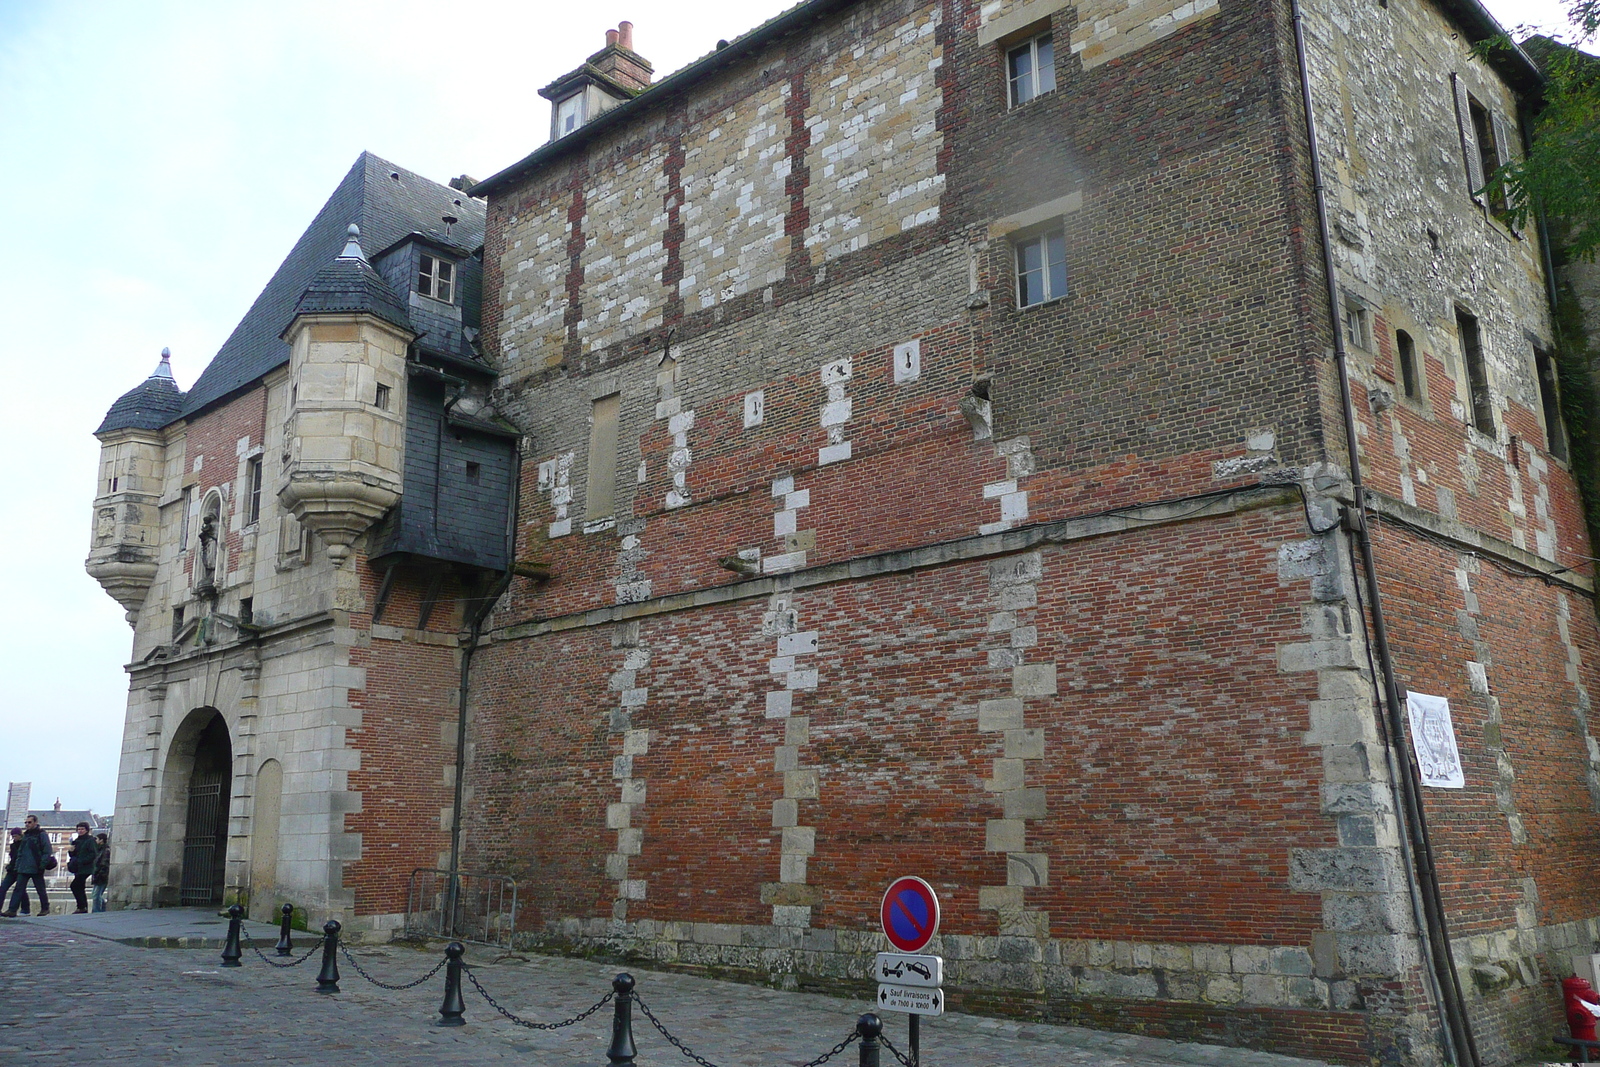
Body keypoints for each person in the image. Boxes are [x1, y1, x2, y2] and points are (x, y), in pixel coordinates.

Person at [2, 815, 50, 916]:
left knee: (40, 889)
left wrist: (42, 865)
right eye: (26, 822)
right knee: (18, 889)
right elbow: (21, 852)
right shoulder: (26, 836)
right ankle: (12, 910)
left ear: (35, 823)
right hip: (23, 867)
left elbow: (47, 850)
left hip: (36, 867)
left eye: (29, 822)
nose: (27, 824)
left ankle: (45, 908)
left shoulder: (41, 834)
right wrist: (18, 865)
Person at [66, 822, 98, 914]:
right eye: (79, 829)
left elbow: (93, 854)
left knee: (75, 886)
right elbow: (73, 854)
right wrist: (71, 852)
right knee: (80, 887)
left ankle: (81, 906)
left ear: (86, 830)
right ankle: (83, 907)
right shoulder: (76, 841)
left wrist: (82, 861)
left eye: (82, 829)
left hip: (86, 868)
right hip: (78, 867)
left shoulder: (90, 840)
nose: (80, 831)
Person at [0, 829, 30, 916]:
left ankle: (25, 909)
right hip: (12, 870)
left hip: (21, 870)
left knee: (20, 890)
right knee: (3, 888)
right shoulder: (13, 845)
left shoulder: (25, 844)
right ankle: (25, 909)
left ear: (20, 835)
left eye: (15, 836)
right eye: (13, 836)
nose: (14, 838)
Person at [91, 833, 109, 913]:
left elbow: (104, 864)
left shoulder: (105, 851)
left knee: (96, 895)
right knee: (96, 894)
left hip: (101, 876)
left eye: (97, 839)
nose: (96, 841)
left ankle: (97, 911)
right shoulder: (99, 850)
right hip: (98, 875)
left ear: (101, 840)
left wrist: (100, 874)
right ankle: (101, 909)